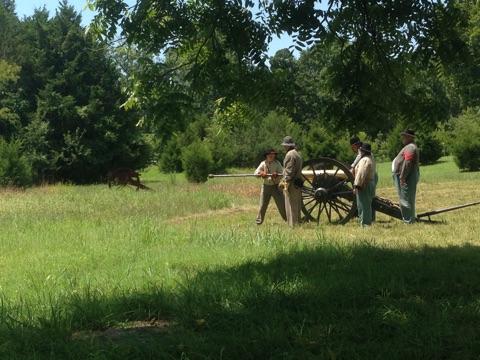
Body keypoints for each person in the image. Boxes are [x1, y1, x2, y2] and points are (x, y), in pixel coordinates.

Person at [392, 129, 420, 223]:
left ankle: (408, 221)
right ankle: (410, 219)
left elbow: (408, 162)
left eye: (404, 136)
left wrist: (402, 177)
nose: (402, 138)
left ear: (409, 137)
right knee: (406, 198)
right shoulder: (409, 146)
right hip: (406, 176)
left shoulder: (410, 147)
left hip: (407, 176)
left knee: (405, 199)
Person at [254, 149, 287, 224]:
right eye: (269, 154)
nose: (271, 156)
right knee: (262, 206)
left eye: (273, 154)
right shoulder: (263, 163)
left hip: (276, 187)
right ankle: (259, 221)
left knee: (282, 205)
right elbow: (255, 173)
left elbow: (282, 174)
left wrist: (276, 175)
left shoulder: (277, 163)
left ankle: (287, 220)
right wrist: (261, 173)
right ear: (266, 156)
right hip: (266, 187)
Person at [279, 136, 303, 227]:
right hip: (297, 181)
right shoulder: (297, 154)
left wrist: (285, 182)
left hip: (291, 183)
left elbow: (289, 171)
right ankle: (297, 223)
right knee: (296, 203)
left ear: (288, 146)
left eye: (285, 145)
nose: (284, 147)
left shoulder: (290, 155)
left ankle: (293, 225)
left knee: (290, 204)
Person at [353, 143, 376, 226]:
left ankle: (365, 224)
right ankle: (366, 222)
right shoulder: (370, 158)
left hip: (364, 184)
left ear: (363, 151)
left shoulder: (364, 160)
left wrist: (357, 186)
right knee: (366, 204)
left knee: (363, 205)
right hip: (369, 183)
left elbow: (361, 174)